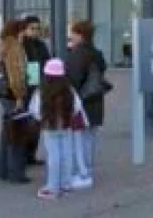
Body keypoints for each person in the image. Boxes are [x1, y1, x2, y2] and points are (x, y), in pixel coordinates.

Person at [27, 59, 89, 200]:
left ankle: (53, 186)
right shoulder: (69, 90)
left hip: (49, 126)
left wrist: (42, 119)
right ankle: (66, 184)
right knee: (67, 154)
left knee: (53, 156)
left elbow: (35, 110)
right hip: (66, 125)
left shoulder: (42, 91)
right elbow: (77, 107)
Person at [64, 20, 108, 186]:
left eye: (74, 33)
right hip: (95, 100)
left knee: (79, 139)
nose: (71, 36)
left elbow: (73, 79)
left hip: (81, 102)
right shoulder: (96, 53)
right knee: (90, 138)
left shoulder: (78, 54)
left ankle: (81, 173)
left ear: (80, 35)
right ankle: (87, 170)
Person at [0, 20, 32, 185]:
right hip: (13, 94)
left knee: (7, 132)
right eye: (23, 30)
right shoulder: (15, 47)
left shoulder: (2, 45)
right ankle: (16, 172)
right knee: (17, 133)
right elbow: (16, 74)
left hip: (3, 93)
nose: (25, 34)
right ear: (18, 31)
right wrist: (20, 96)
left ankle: (3, 169)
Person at [21, 15, 51, 166]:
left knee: (36, 121)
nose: (35, 31)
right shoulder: (22, 45)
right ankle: (23, 154)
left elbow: (47, 62)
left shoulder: (41, 45)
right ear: (25, 29)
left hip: (39, 86)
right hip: (26, 88)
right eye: (32, 28)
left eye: (37, 28)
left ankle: (30, 154)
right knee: (26, 121)